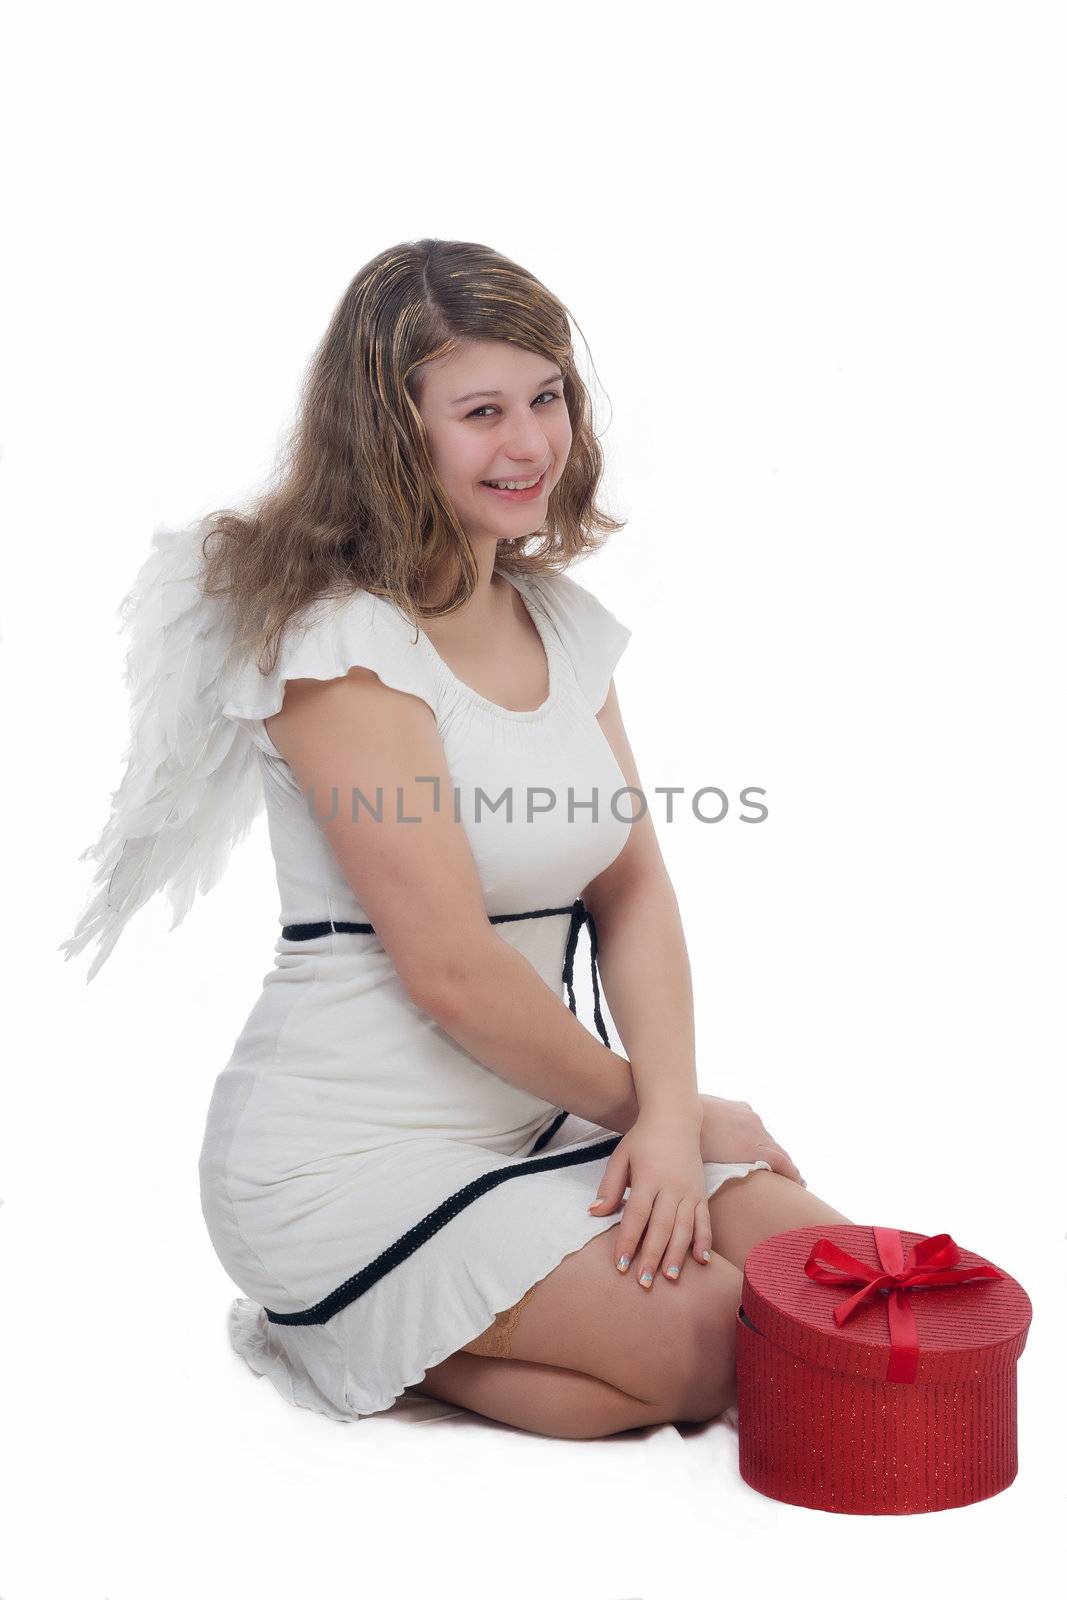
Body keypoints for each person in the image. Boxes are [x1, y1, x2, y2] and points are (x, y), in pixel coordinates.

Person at [62, 238, 853, 1440]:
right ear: (393, 433)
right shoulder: (339, 644)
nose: (530, 442)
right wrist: (664, 1116)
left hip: (543, 1113)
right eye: (481, 411)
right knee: (706, 1342)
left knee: (832, 1270)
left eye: (547, 399)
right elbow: (447, 967)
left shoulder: (562, 624)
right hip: (349, 1158)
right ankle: (336, 1328)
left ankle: (451, 1312)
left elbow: (633, 887)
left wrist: (668, 1110)